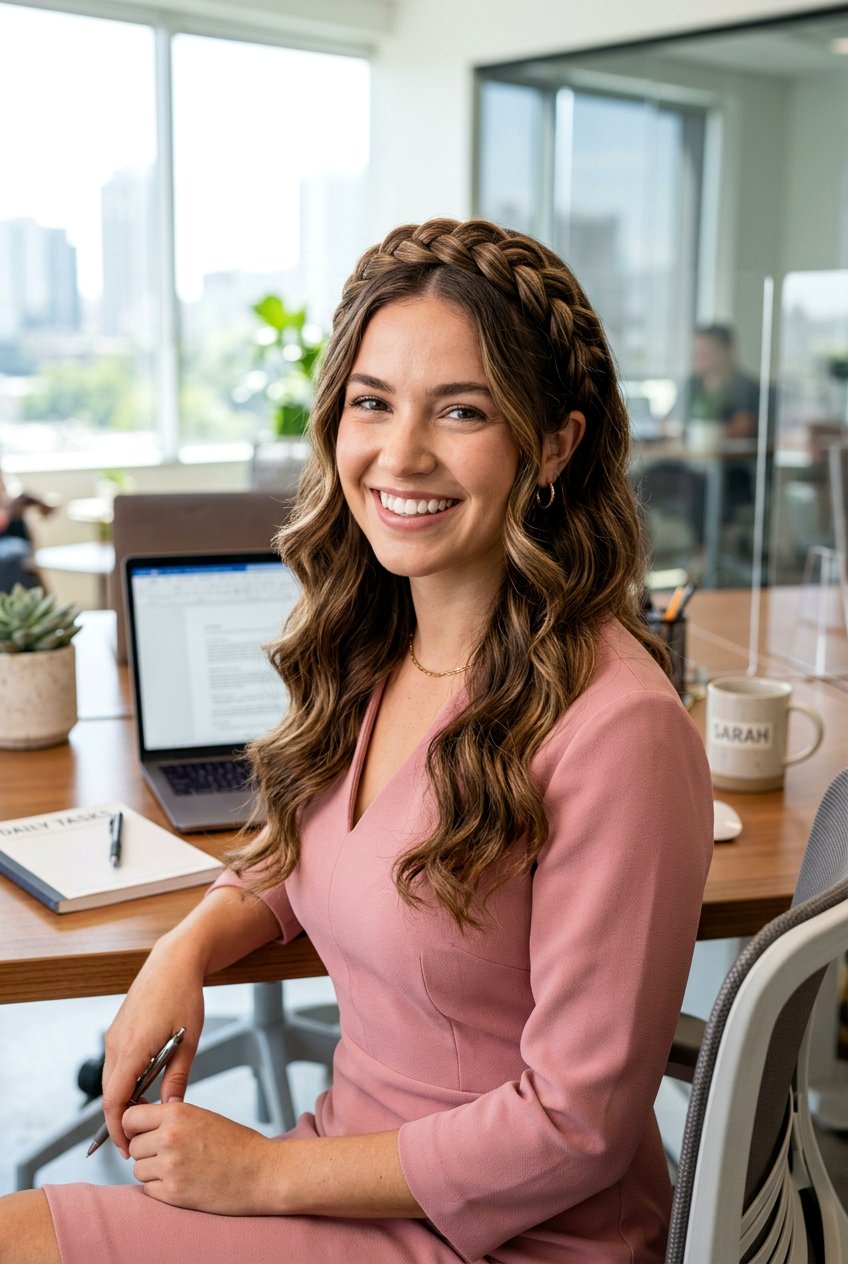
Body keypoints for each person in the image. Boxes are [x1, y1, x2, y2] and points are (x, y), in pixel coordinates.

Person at [0, 218, 713, 1264]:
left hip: (510, 1235)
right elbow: (314, 852)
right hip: (349, 1171)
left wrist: (257, 1175)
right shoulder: (382, 650)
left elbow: (575, 1126)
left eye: (460, 410)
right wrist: (185, 945)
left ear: (553, 443)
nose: (400, 453)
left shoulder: (619, 731)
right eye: (372, 403)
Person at [0, 466, 55, 593]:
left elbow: (49, 510)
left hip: (15, 544)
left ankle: (38, 601)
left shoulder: (13, 500)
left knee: (20, 557)